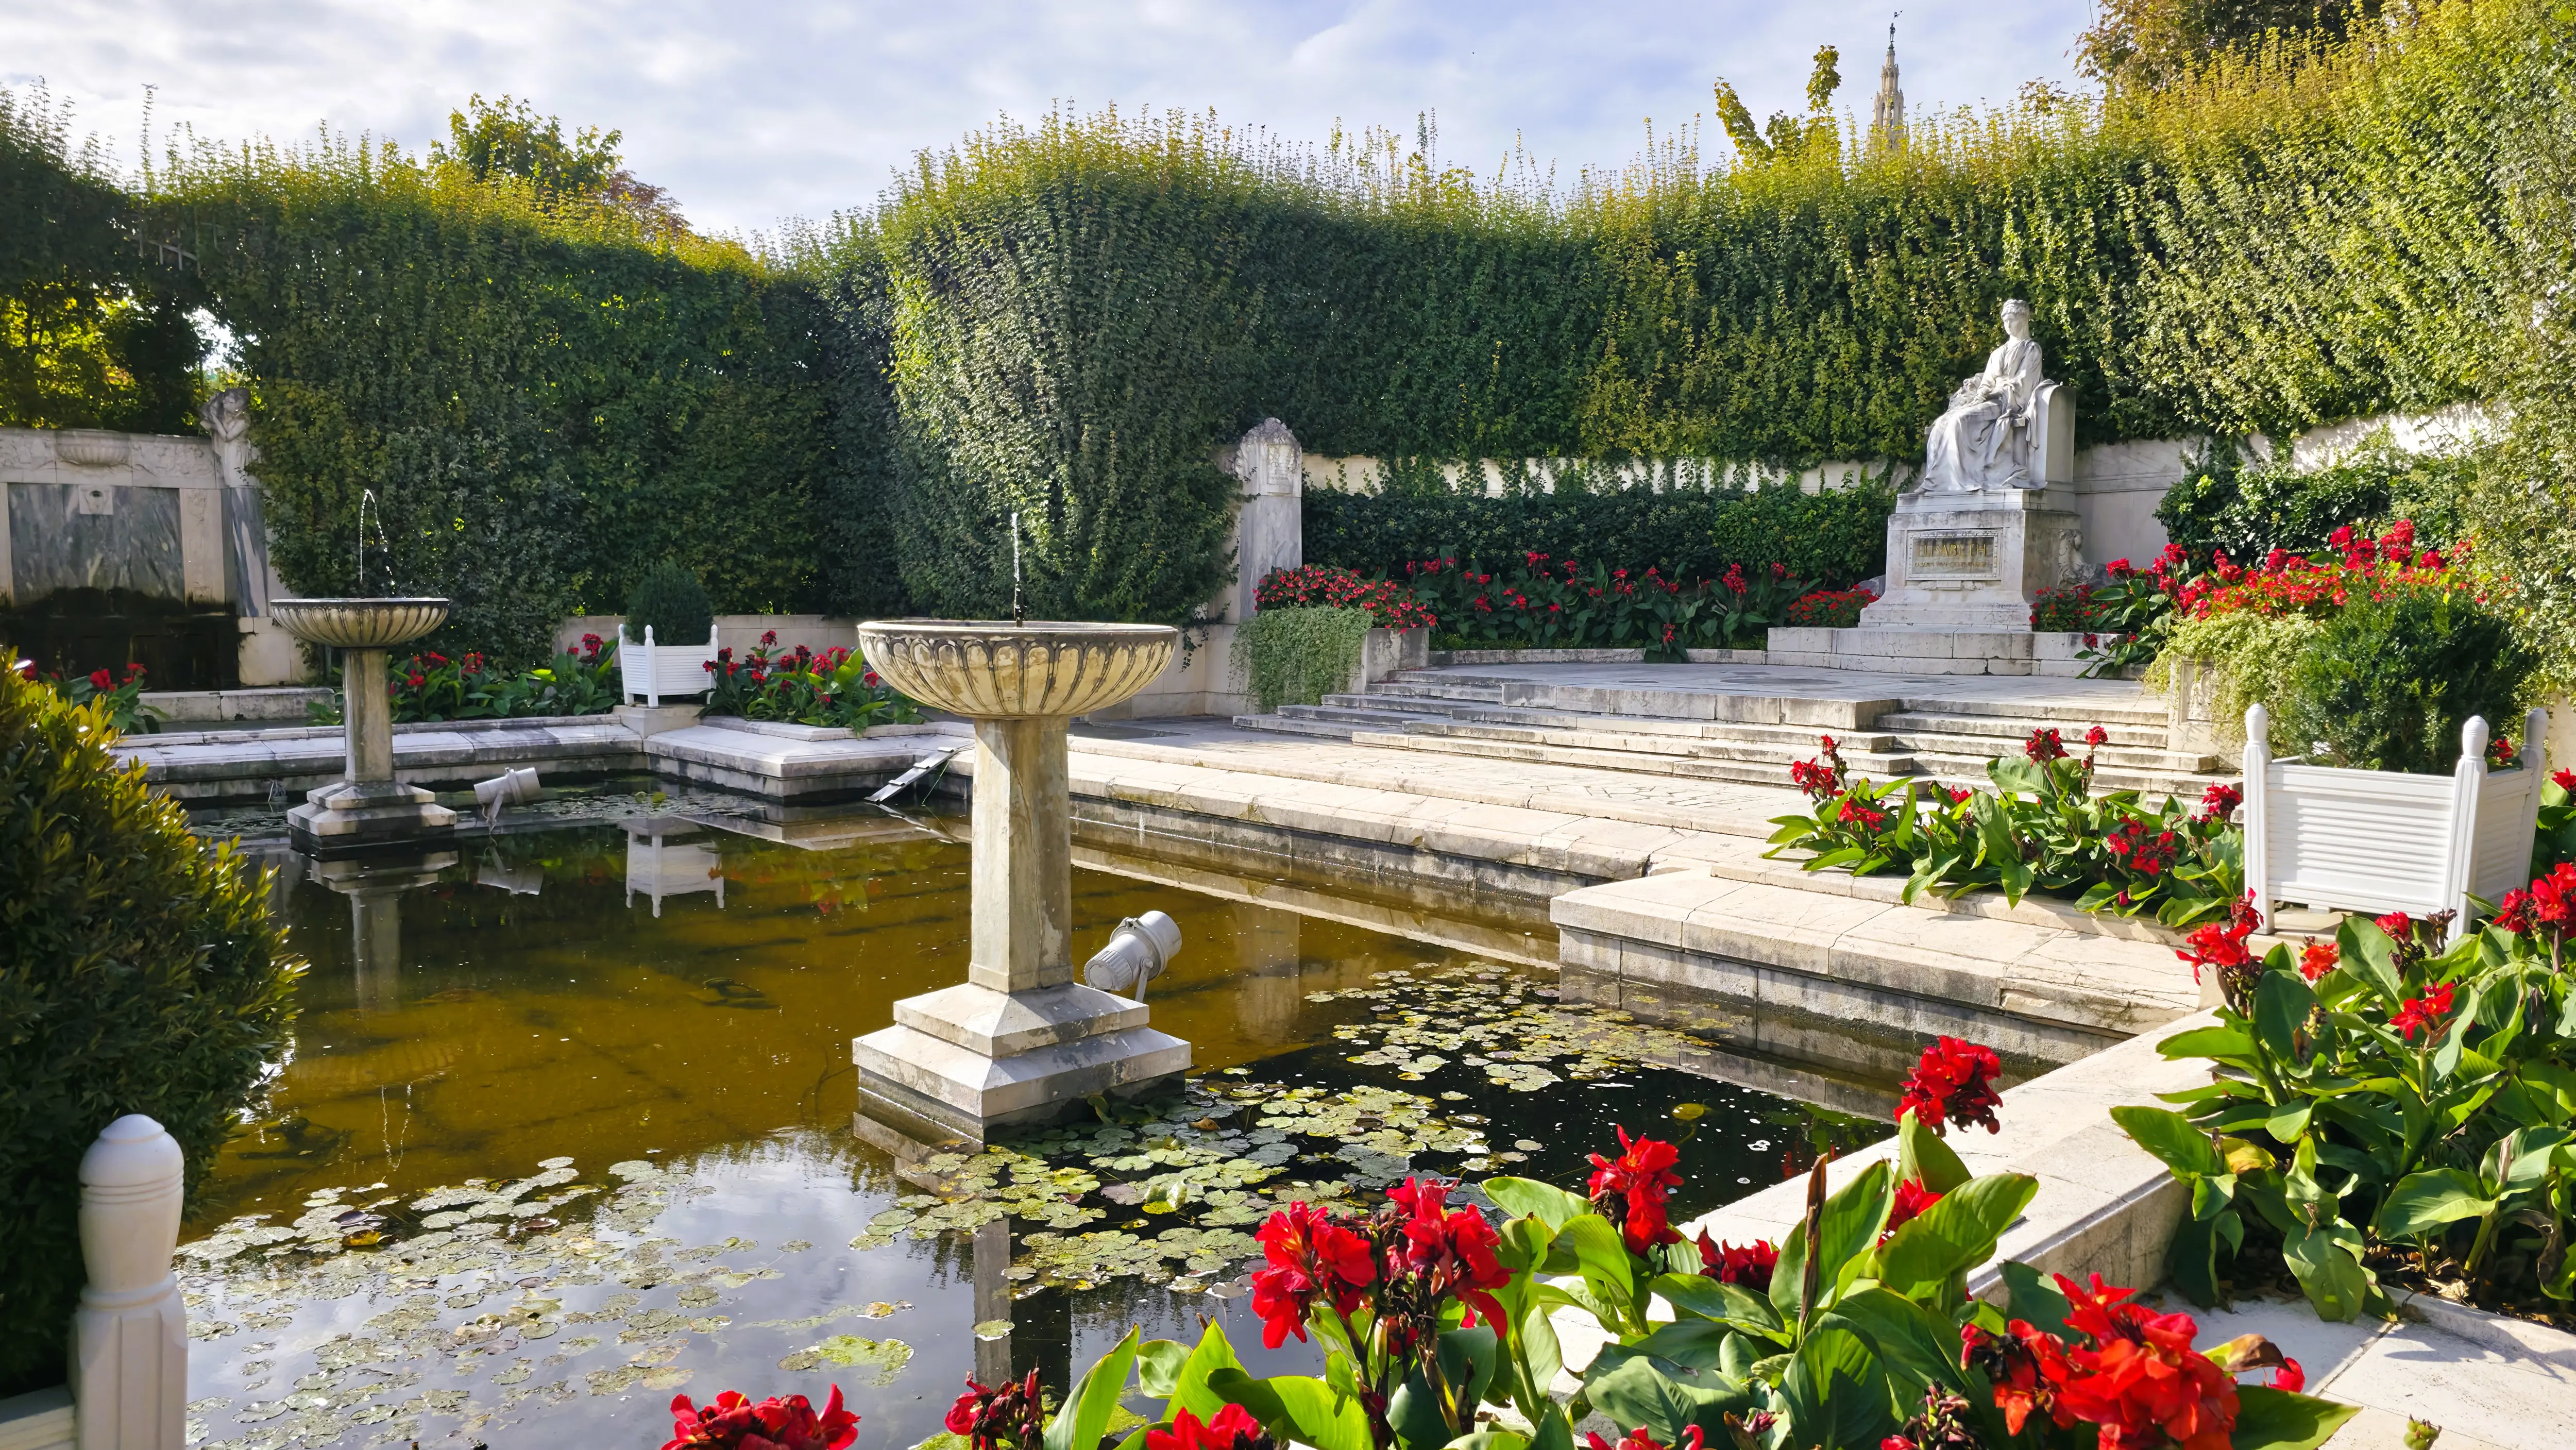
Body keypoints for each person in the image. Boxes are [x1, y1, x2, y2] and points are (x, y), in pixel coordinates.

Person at [1922, 299, 2045, 490]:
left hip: (2007, 403)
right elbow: (1987, 381)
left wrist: (1995, 392)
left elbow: (2024, 383)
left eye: (2012, 320)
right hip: (1989, 400)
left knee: (1959, 421)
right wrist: (1982, 393)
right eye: (2005, 321)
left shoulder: (2031, 349)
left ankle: (1958, 480)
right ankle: (1935, 482)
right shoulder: (1998, 353)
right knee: (1941, 423)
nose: (2008, 325)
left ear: (2024, 320)